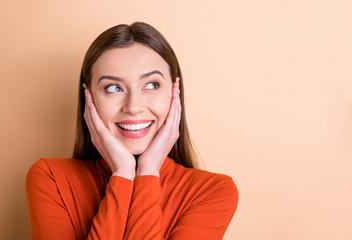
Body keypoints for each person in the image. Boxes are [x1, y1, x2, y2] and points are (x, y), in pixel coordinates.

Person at [25, 21, 238, 240]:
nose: (133, 107)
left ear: (175, 93)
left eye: (151, 85)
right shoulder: (51, 179)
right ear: (89, 98)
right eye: (114, 88)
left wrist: (147, 172)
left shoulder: (212, 192)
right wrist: (123, 173)